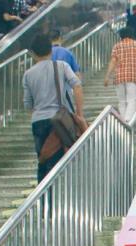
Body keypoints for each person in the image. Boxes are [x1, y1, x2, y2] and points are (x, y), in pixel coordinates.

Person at [22, 33, 85, 182]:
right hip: (58, 122)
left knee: (42, 158)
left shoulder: (28, 74)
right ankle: (51, 198)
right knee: (56, 162)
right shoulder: (62, 66)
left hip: (38, 122)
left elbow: (27, 104)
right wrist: (79, 112)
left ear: (33, 53)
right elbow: (77, 85)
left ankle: (43, 199)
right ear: (51, 50)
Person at [103, 28, 136, 122]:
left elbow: (113, 61)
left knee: (121, 101)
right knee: (131, 99)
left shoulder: (116, 46)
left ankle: (123, 119)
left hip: (119, 76)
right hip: (132, 75)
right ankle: (128, 119)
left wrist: (107, 76)